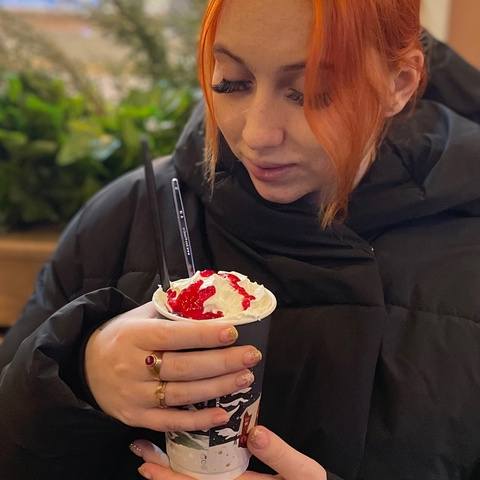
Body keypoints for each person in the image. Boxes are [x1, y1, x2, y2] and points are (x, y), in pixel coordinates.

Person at [1, 0, 480, 479]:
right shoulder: (129, 215)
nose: (257, 134)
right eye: (230, 83)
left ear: (399, 84)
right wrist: (78, 375)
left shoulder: (465, 259)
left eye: (310, 92)